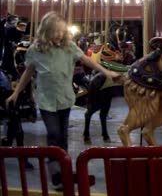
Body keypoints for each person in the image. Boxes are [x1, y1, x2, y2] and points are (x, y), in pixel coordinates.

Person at [5, 11, 122, 190]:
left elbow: (88, 61)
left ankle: (64, 169)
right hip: (46, 100)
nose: (59, 35)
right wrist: (16, 93)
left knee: (63, 138)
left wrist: (107, 72)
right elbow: (28, 73)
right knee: (53, 134)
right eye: (55, 31)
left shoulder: (69, 47)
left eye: (61, 31)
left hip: (65, 98)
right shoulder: (36, 50)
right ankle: (56, 174)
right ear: (46, 31)